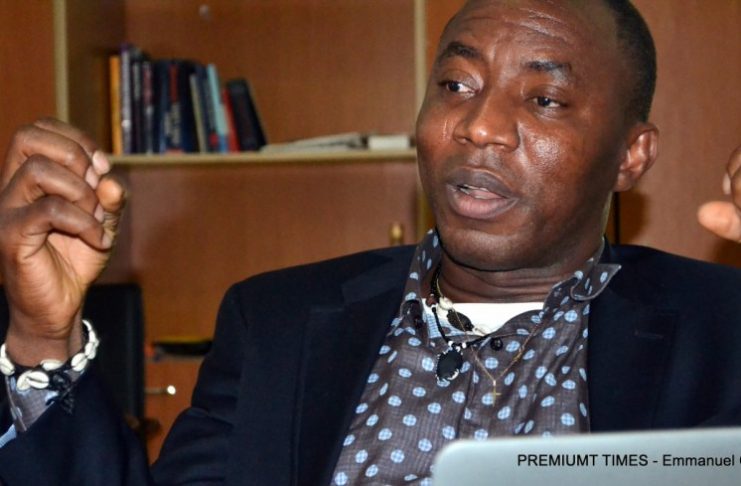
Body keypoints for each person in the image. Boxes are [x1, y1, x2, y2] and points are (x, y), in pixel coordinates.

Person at [0, 0, 739, 484]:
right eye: (455, 86)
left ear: (630, 156)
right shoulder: (276, 323)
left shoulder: (722, 329)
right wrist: (43, 338)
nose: (479, 125)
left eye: (543, 99)